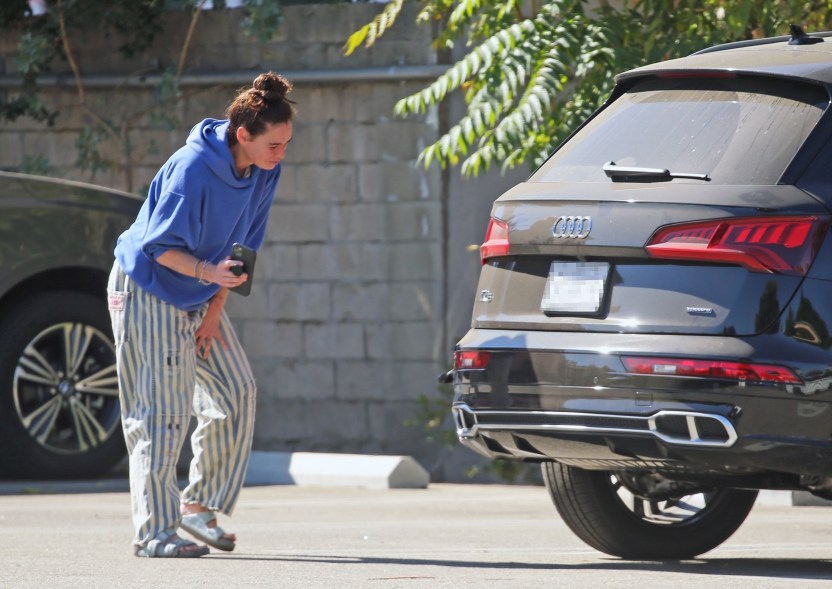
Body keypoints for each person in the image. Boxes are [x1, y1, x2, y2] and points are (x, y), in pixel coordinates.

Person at [107, 71, 295, 558]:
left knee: (236, 391)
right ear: (243, 136)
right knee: (162, 413)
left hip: (199, 293)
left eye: (286, 144)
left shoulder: (265, 172)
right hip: (147, 288)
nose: (281, 153)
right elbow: (157, 246)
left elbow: (241, 252)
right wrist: (208, 274)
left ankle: (198, 506)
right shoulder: (193, 168)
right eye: (274, 144)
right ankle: (154, 533)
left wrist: (214, 308)